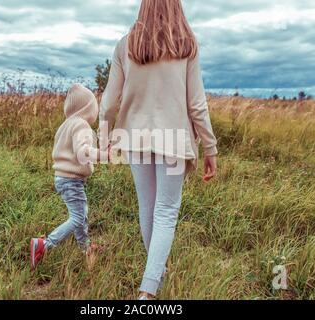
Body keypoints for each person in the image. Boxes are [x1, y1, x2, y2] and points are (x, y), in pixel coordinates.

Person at [99, 0, 218, 299]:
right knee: (165, 211)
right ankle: (149, 291)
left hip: (136, 138)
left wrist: (103, 137)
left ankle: (156, 272)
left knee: (148, 208)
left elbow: (109, 102)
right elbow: (197, 104)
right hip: (175, 141)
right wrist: (210, 148)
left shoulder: (126, 46)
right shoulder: (187, 46)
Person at [30, 84, 109, 270]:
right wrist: (103, 155)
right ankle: (45, 245)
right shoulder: (81, 125)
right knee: (77, 217)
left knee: (81, 214)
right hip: (72, 180)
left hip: (63, 178)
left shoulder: (65, 125)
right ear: (87, 109)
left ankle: (85, 246)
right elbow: (82, 152)